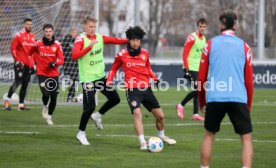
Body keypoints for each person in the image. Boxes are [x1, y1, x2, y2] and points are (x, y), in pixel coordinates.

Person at [197, 10, 253, 168]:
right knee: (246, 138)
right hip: (238, 98)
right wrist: (248, 104)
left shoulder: (210, 44)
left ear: (220, 25)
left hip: (215, 97)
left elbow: (201, 78)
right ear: (235, 25)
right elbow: (249, 81)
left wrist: (202, 101)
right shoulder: (245, 47)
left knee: (209, 136)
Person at [107, 26, 176, 150]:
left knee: (160, 116)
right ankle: (143, 142)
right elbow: (114, 68)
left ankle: (162, 136)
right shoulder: (121, 55)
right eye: (133, 40)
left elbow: (148, 68)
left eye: (138, 40)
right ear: (129, 40)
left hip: (146, 89)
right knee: (137, 113)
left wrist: (155, 78)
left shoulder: (145, 53)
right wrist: (109, 80)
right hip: (132, 90)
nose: (135, 42)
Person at [72, 16, 128, 145]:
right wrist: (88, 48)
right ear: (84, 26)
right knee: (90, 106)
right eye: (90, 26)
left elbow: (115, 40)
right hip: (88, 79)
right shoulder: (80, 39)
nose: (92, 29)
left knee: (115, 99)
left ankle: (97, 116)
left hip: (100, 77)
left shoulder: (99, 37)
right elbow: (74, 56)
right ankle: (81, 133)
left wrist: (129, 40)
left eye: (94, 26)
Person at [29, 24, 64, 125]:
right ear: (43, 32)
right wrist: (32, 66)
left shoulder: (57, 44)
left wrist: (55, 63)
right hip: (42, 73)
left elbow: (61, 60)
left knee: (54, 97)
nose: (48, 33)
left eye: (50, 31)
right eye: (46, 31)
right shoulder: (38, 44)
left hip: (53, 74)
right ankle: (45, 105)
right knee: (45, 94)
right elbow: (29, 54)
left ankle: (49, 117)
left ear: (52, 32)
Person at [176, 18, 207, 121]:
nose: (202, 28)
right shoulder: (192, 37)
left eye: (204, 26)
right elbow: (185, 53)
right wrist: (187, 69)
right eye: (200, 26)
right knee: (198, 90)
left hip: (199, 68)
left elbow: (202, 56)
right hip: (190, 68)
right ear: (197, 27)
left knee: (198, 90)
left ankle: (195, 114)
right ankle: (181, 105)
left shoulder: (204, 39)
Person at [4, 18, 36, 111]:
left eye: (31, 24)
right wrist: (17, 61)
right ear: (24, 25)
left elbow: (33, 52)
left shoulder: (33, 36)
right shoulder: (18, 36)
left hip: (28, 65)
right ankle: (7, 101)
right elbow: (13, 48)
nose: (30, 26)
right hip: (20, 64)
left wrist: (33, 65)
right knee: (17, 82)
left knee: (25, 84)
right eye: (28, 24)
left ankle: (21, 104)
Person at [62, 27, 78, 102]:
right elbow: (63, 50)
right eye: (74, 32)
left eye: (76, 33)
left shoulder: (76, 41)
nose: (75, 34)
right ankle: (70, 97)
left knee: (75, 81)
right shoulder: (67, 39)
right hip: (68, 64)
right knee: (73, 80)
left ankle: (70, 97)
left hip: (75, 64)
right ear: (71, 32)